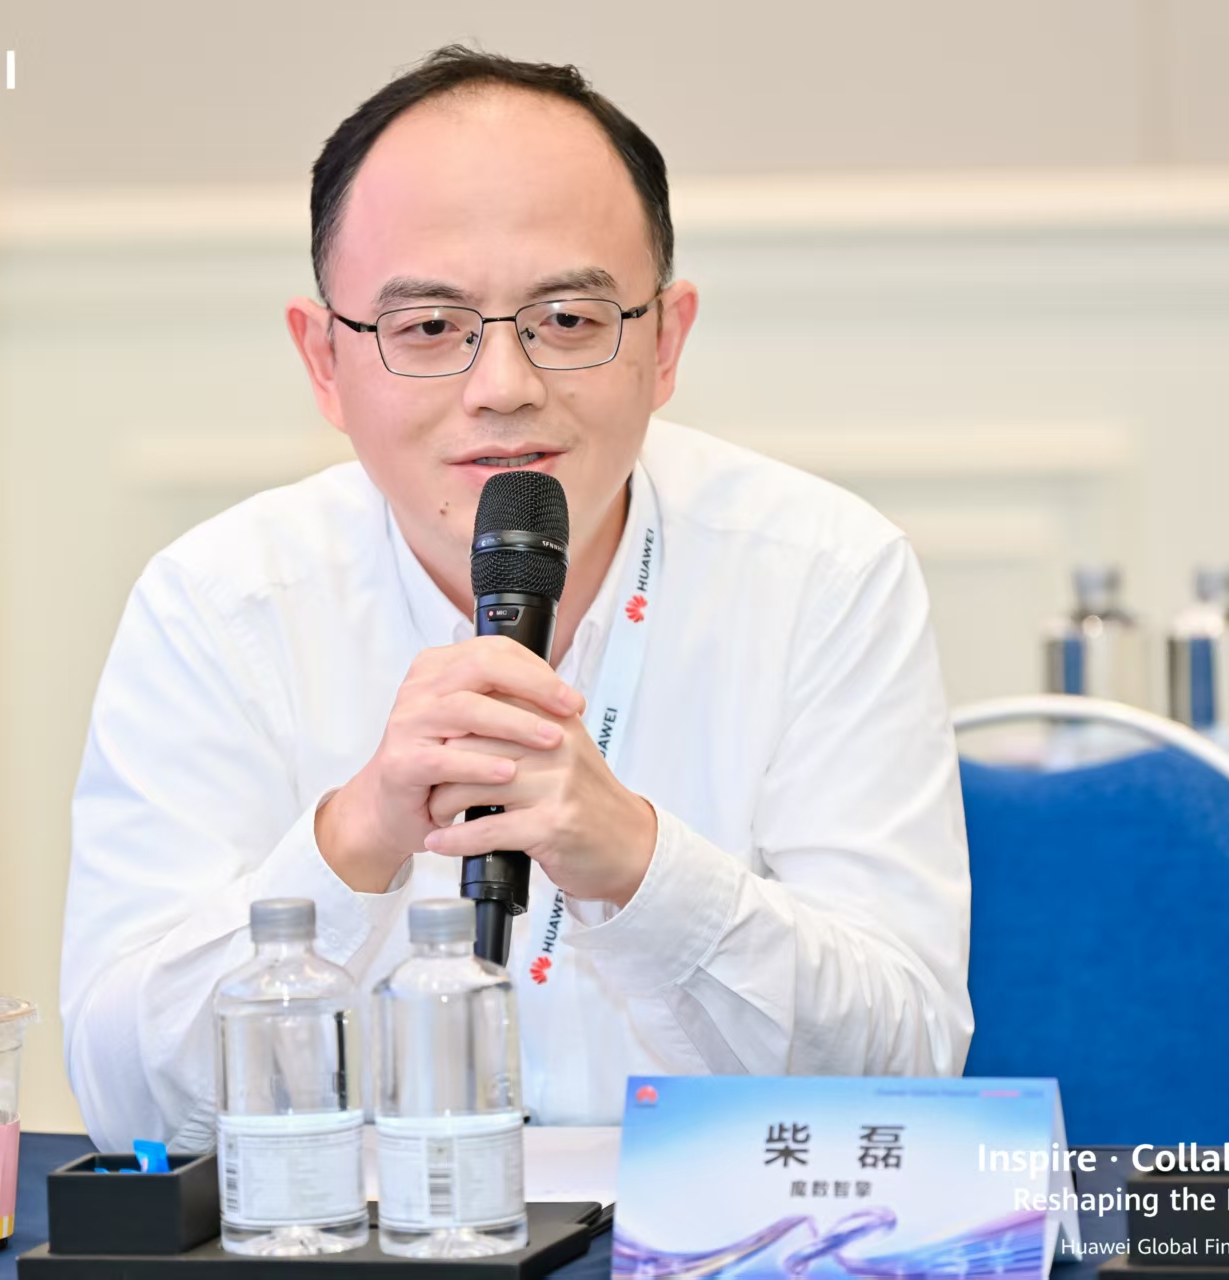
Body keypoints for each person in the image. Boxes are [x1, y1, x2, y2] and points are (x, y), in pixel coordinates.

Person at [61, 46, 971, 1153]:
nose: (503, 386)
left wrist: (643, 867)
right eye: (429, 327)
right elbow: (129, 1107)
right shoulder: (218, 606)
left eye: (570, 320)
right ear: (324, 361)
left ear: (667, 340)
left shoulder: (824, 573)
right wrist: (356, 836)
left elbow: (907, 1065)